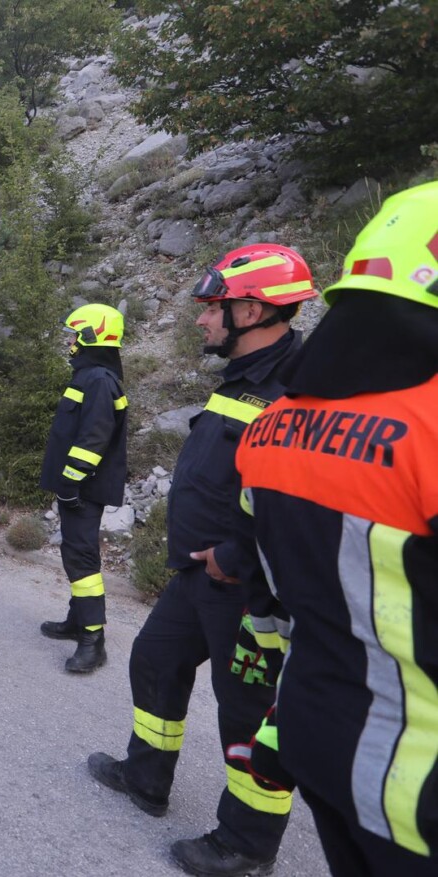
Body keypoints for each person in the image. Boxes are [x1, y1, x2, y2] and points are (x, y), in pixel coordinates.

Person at [86, 244, 319, 876]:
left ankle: (247, 843)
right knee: (155, 659)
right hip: (199, 573)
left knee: (247, 710)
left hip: (245, 585)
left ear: (251, 309)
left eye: (212, 309)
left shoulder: (298, 389)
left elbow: (302, 501)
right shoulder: (245, 379)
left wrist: (236, 555)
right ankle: (146, 778)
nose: (200, 320)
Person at [234, 181, 438, 876]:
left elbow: (275, 591)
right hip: (420, 785)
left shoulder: (269, 429)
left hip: (322, 743)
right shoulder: (428, 431)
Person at [39, 303, 129, 673]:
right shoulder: (94, 375)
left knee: (82, 559)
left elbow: (94, 438)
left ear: (92, 336)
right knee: (75, 552)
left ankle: (93, 639)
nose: (72, 343)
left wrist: (71, 484)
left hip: (84, 489)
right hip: (80, 487)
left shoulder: (98, 380)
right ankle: (77, 621)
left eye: (76, 335)